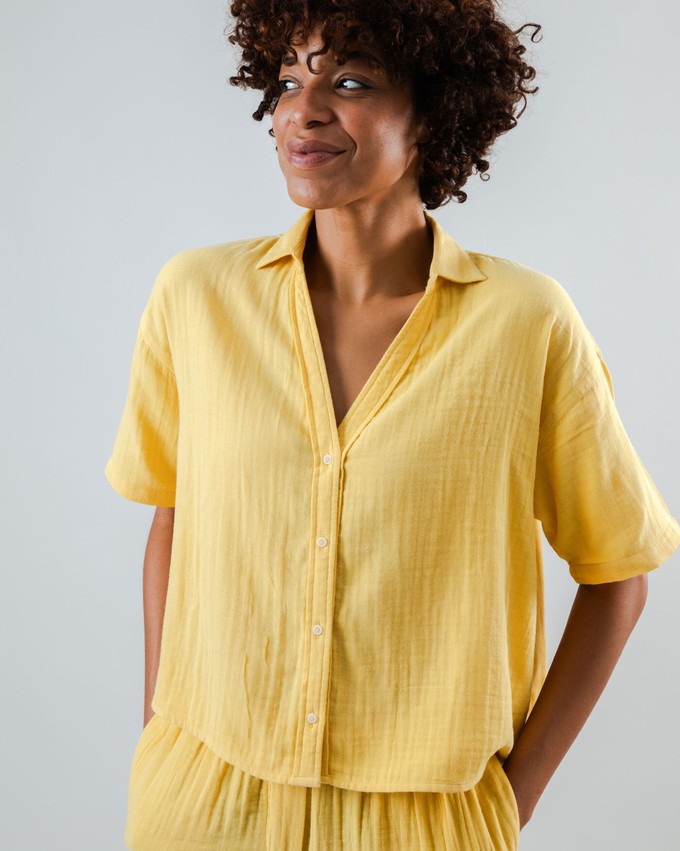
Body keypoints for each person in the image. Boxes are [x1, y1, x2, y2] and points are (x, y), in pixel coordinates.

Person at [104, 2, 680, 849]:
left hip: (423, 819)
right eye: (288, 80)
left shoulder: (525, 324)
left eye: (350, 82)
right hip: (203, 803)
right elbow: (173, 515)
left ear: (434, 111)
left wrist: (513, 797)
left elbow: (618, 572)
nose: (302, 110)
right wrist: (159, 727)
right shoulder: (195, 298)